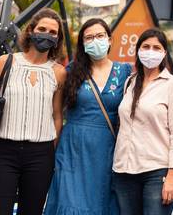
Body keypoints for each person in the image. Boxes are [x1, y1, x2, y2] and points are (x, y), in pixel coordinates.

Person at [0, 8, 67, 215]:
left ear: (58, 39)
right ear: (31, 31)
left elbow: (57, 115)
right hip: (3, 153)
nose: (47, 34)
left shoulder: (59, 72)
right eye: (42, 29)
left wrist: (50, 149)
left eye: (53, 32)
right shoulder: (6, 62)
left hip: (40, 155)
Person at [44, 18, 133, 215]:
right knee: (69, 201)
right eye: (89, 37)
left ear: (109, 39)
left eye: (100, 36)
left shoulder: (125, 71)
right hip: (72, 149)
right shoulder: (71, 71)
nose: (95, 41)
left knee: (102, 203)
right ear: (83, 44)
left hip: (107, 150)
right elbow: (55, 112)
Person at [112, 28, 173, 215]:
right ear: (138, 50)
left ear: (164, 53)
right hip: (124, 170)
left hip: (157, 171)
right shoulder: (130, 82)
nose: (150, 51)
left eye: (156, 48)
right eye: (146, 46)